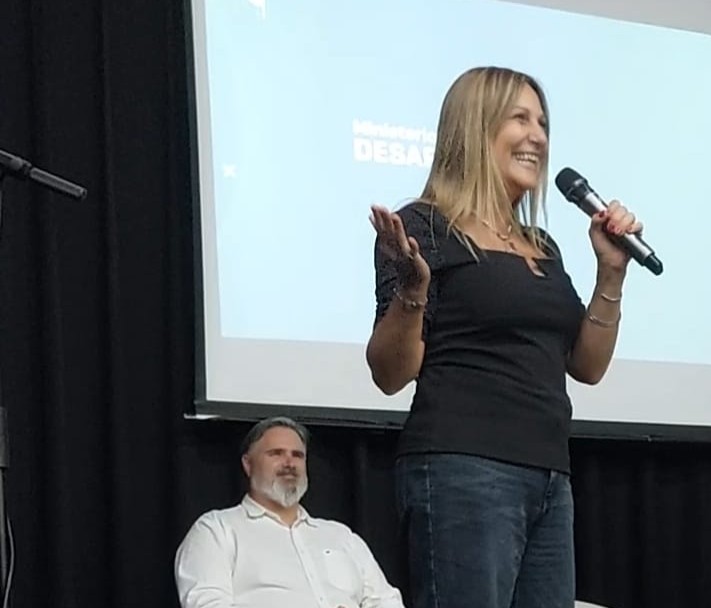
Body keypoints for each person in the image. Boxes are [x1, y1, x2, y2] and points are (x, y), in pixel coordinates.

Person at [365, 66, 641, 608]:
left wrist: (611, 274)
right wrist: (413, 289)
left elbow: (586, 367)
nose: (537, 136)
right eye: (520, 118)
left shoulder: (542, 245)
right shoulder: (423, 227)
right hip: (462, 468)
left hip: (550, 476)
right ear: (475, 127)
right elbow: (390, 374)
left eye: (543, 123)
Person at [174, 416, 404, 608]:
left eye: (298, 455)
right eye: (276, 453)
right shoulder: (217, 529)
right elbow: (207, 603)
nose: (289, 463)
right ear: (248, 464)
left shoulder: (340, 535)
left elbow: (386, 600)